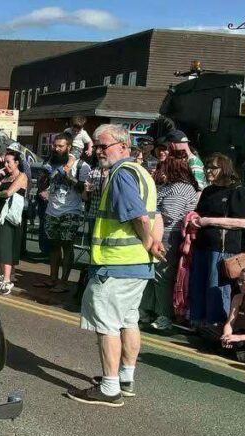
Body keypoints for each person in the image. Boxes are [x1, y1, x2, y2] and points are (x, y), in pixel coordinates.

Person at [66, 124, 164, 407]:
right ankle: (125, 378)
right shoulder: (142, 173)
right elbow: (156, 215)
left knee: (107, 324)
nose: (98, 151)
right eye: (96, 146)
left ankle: (109, 388)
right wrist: (153, 244)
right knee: (128, 320)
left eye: (103, 146)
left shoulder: (121, 174)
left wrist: (148, 240)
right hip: (137, 265)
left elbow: (140, 218)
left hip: (115, 265)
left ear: (123, 146)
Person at [187, 153, 245, 327]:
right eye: (207, 167)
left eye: (213, 168)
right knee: (198, 283)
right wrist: (194, 218)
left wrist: (209, 221)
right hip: (202, 245)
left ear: (224, 169)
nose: (208, 171)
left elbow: (243, 222)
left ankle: (217, 323)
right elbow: (199, 213)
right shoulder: (208, 191)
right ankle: (198, 320)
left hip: (222, 248)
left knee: (216, 286)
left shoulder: (237, 191)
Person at [139, 150, 199, 331]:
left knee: (162, 276)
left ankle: (164, 314)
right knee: (151, 273)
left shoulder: (180, 188)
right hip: (158, 233)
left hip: (168, 235)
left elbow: (169, 215)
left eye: (164, 167)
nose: (161, 171)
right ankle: (147, 309)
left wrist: (146, 217)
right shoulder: (168, 186)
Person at [38, 133, 89, 293]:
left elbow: (84, 191)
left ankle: (64, 282)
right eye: (55, 145)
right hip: (52, 210)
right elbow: (42, 184)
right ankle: (52, 278)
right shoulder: (50, 162)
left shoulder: (81, 166)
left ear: (69, 147)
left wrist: (69, 177)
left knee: (67, 246)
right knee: (53, 246)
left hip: (70, 211)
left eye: (60, 146)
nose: (56, 149)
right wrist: (43, 182)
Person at [0, 151, 29, 295]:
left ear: (16, 163)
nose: (5, 165)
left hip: (10, 216)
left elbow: (8, 193)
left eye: (8, 162)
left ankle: (7, 280)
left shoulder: (22, 176)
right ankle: (6, 275)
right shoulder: (4, 177)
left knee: (6, 248)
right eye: (4, 162)